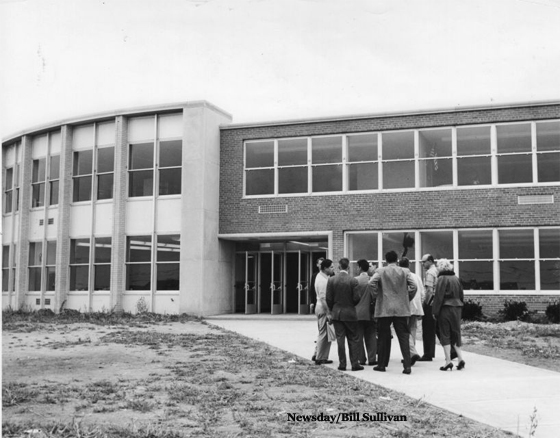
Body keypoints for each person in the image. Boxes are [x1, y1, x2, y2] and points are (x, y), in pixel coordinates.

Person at [368, 250, 417, 374]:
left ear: (386, 260)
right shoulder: (405, 271)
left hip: (385, 308)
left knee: (384, 337)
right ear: (397, 259)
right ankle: (407, 366)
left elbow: (371, 283)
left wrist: (376, 296)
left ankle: (382, 364)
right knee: (404, 337)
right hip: (401, 308)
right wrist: (407, 298)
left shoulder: (380, 271)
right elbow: (414, 286)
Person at [326, 258, 363, 371]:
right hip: (350, 313)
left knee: (340, 340)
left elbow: (328, 298)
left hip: (337, 313)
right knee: (353, 339)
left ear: (338, 267)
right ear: (348, 267)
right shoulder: (353, 281)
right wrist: (351, 304)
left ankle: (342, 364)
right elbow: (357, 298)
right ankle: (355, 363)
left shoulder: (331, 280)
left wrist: (333, 309)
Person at [432, 258, 466, 371]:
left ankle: (448, 361)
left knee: (445, 333)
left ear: (440, 267)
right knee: (456, 332)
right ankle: (460, 358)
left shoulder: (441, 278)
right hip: (457, 308)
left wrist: (435, 311)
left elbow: (438, 296)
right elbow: (461, 295)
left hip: (445, 308)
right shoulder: (456, 278)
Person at [398, 257, 424, 365]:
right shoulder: (416, 276)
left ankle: (411, 353)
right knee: (412, 330)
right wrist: (420, 305)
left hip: (406, 306)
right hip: (416, 307)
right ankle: (410, 353)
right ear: (409, 265)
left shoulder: (402, 276)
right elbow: (422, 293)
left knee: (404, 331)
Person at [354, 259, 377, 366]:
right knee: (371, 336)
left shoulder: (355, 280)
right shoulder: (372, 280)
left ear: (359, 267)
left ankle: (361, 359)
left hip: (357, 313)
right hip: (371, 312)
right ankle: (372, 358)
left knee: (358, 337)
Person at [314, 259, 334, 365]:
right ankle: (320, 357)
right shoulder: (322, 280)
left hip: (321, 307)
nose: (333, 269)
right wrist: (328, 312)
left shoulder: (322, 277)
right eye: (331, 267)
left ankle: (322, 356)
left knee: (325, 334)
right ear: (325, 268)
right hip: (323, 308)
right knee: (323, 333)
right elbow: (323, 298)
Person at [419, 254, 438, 362]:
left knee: (428, 329)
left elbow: (429, 291)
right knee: (438, 328)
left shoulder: (430, 272)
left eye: (424, 261)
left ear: (430, 261)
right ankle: (453, 351)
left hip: (430, 304)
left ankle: (428, 353)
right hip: (437, 303)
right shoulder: (437, 270)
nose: (422, 264)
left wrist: (425, 304)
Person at [309, 257, 325, 361]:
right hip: (320, 304)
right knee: (321, 329)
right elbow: (312, 289)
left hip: (324, 304)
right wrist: (311, 302)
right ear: (317, 265)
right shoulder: (315, 276)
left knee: (323, 330)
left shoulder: (330, 275)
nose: (321, 265)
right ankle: (317, 353)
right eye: (320, 264)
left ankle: (321, 353)